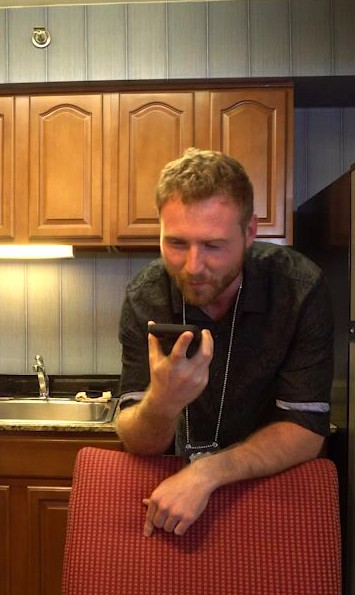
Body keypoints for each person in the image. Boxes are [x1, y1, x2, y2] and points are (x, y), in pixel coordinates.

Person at [116, 148, 333, 538]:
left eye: (213, 246)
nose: (193, 267)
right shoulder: (144, 296)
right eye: (176, 243)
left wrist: (209, 471)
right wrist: (162, 403)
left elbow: (306, 429)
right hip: (175, 493)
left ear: (249, 232)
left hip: (275, 486)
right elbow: (137, 441)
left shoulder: (299, 289)